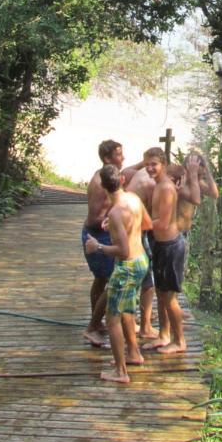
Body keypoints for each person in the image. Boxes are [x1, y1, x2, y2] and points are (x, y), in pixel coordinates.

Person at [85, 164, 152, 384]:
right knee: (127, 310)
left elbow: (122, 250)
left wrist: (98, 247)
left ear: (103, 187)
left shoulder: (115, 212)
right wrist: (117, 225)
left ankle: (121, 372)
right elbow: (146, 224)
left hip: (127, 266)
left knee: (112, 318)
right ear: (122, 180)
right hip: (142, 260)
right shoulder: (132, 198)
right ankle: (133, 353)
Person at [143, 146, 187, 355]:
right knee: (160, 294)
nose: (150, 168)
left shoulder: (167, 188)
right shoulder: (158, 184)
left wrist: (135, 222)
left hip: (171, 247)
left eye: (154, 164)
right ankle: (163, 335)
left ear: (163, 164)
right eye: (147, 164)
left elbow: (162, 223)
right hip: (160, 246)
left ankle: (179, 340)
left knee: (169, 297)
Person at [81, 139, 123, 347]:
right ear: (107, 159)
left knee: (100, 280)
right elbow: (94, 217)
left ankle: (96, 324)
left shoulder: (108, 175)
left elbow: (129, 169)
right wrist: (111, 219)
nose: (123, 158)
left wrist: (145, 164)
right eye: (118, 155)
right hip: (97, 235)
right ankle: (93, 325)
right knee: (113, 281)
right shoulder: (99, 184)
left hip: (101, 235)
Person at [125, 159, 159, 340]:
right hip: (136, 234)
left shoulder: (137, 173)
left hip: (126, 229)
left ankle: (140, 321)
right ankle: (145, 326)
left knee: (121, 280)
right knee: (148, 280)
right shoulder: (152, 183)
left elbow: (125, 170)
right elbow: (149, 222)